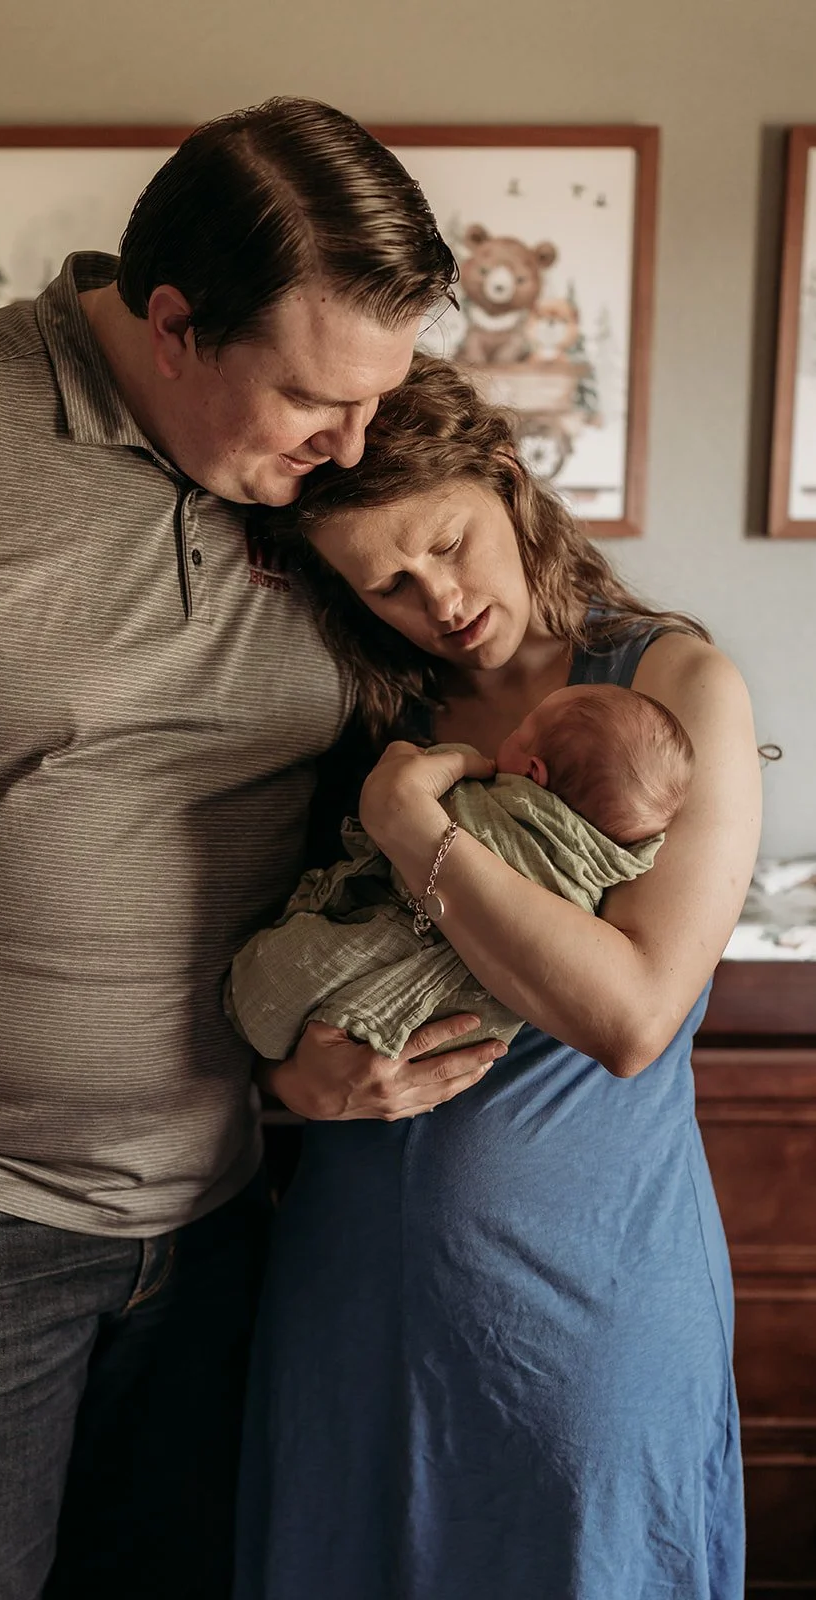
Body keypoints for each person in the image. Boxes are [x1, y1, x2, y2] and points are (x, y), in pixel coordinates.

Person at [0, 102, 504, 1600]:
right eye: (312, 400)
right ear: (170, 323)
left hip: (219, 1210)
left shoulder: (323, 494)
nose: (351, 447)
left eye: (377, 398)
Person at [234, 353, 759, 1599]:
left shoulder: (669, 692)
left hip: (586, 1303)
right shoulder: (356, 715)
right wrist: (286, 1084)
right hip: (351, 1289)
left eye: (448, 545)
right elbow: (270, 970)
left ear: (507, 483)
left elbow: (627, 1014)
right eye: (389, 584)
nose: (441, 600)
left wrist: (413, 828)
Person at [226, 682, 695, 1064]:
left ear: (534, 773)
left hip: (402, 947)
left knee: (275, 979)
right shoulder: (601, 873)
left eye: (519, 732)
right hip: (471, 1033)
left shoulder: (482, 805)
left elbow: (411, 797)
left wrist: (429, 771)